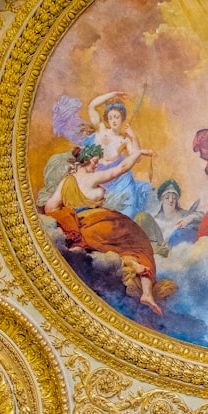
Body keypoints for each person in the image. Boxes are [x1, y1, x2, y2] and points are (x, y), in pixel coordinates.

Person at [43, 128, 165, 315]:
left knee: (117, 248)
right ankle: (146, 292)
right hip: (100, 223)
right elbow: (121, 168)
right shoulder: (92, 178)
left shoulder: (66, 181)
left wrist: (69, 217)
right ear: (87, 160)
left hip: (81, 230)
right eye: (95, 161)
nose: (97, 164)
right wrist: (138, 153)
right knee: (139, 240)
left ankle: (130, 262)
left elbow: (50, 208)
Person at [81, 92, 155, 219]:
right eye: (110, 117)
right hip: (99, 177)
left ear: (122, 118)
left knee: (126, 211)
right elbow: (92, 106)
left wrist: (134, 137)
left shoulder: (124, 140)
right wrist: (114, 94)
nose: (113, 121)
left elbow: (137, 158)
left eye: (116, 117)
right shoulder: (102, 130)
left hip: (119, 180)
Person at [152, 179, 203, 247]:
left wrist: (189, 218)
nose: (171, 201)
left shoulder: (183, 214)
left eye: (174, 198)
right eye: (167, 198)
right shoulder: (155, 220)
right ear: (161, 200)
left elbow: (202, 216)